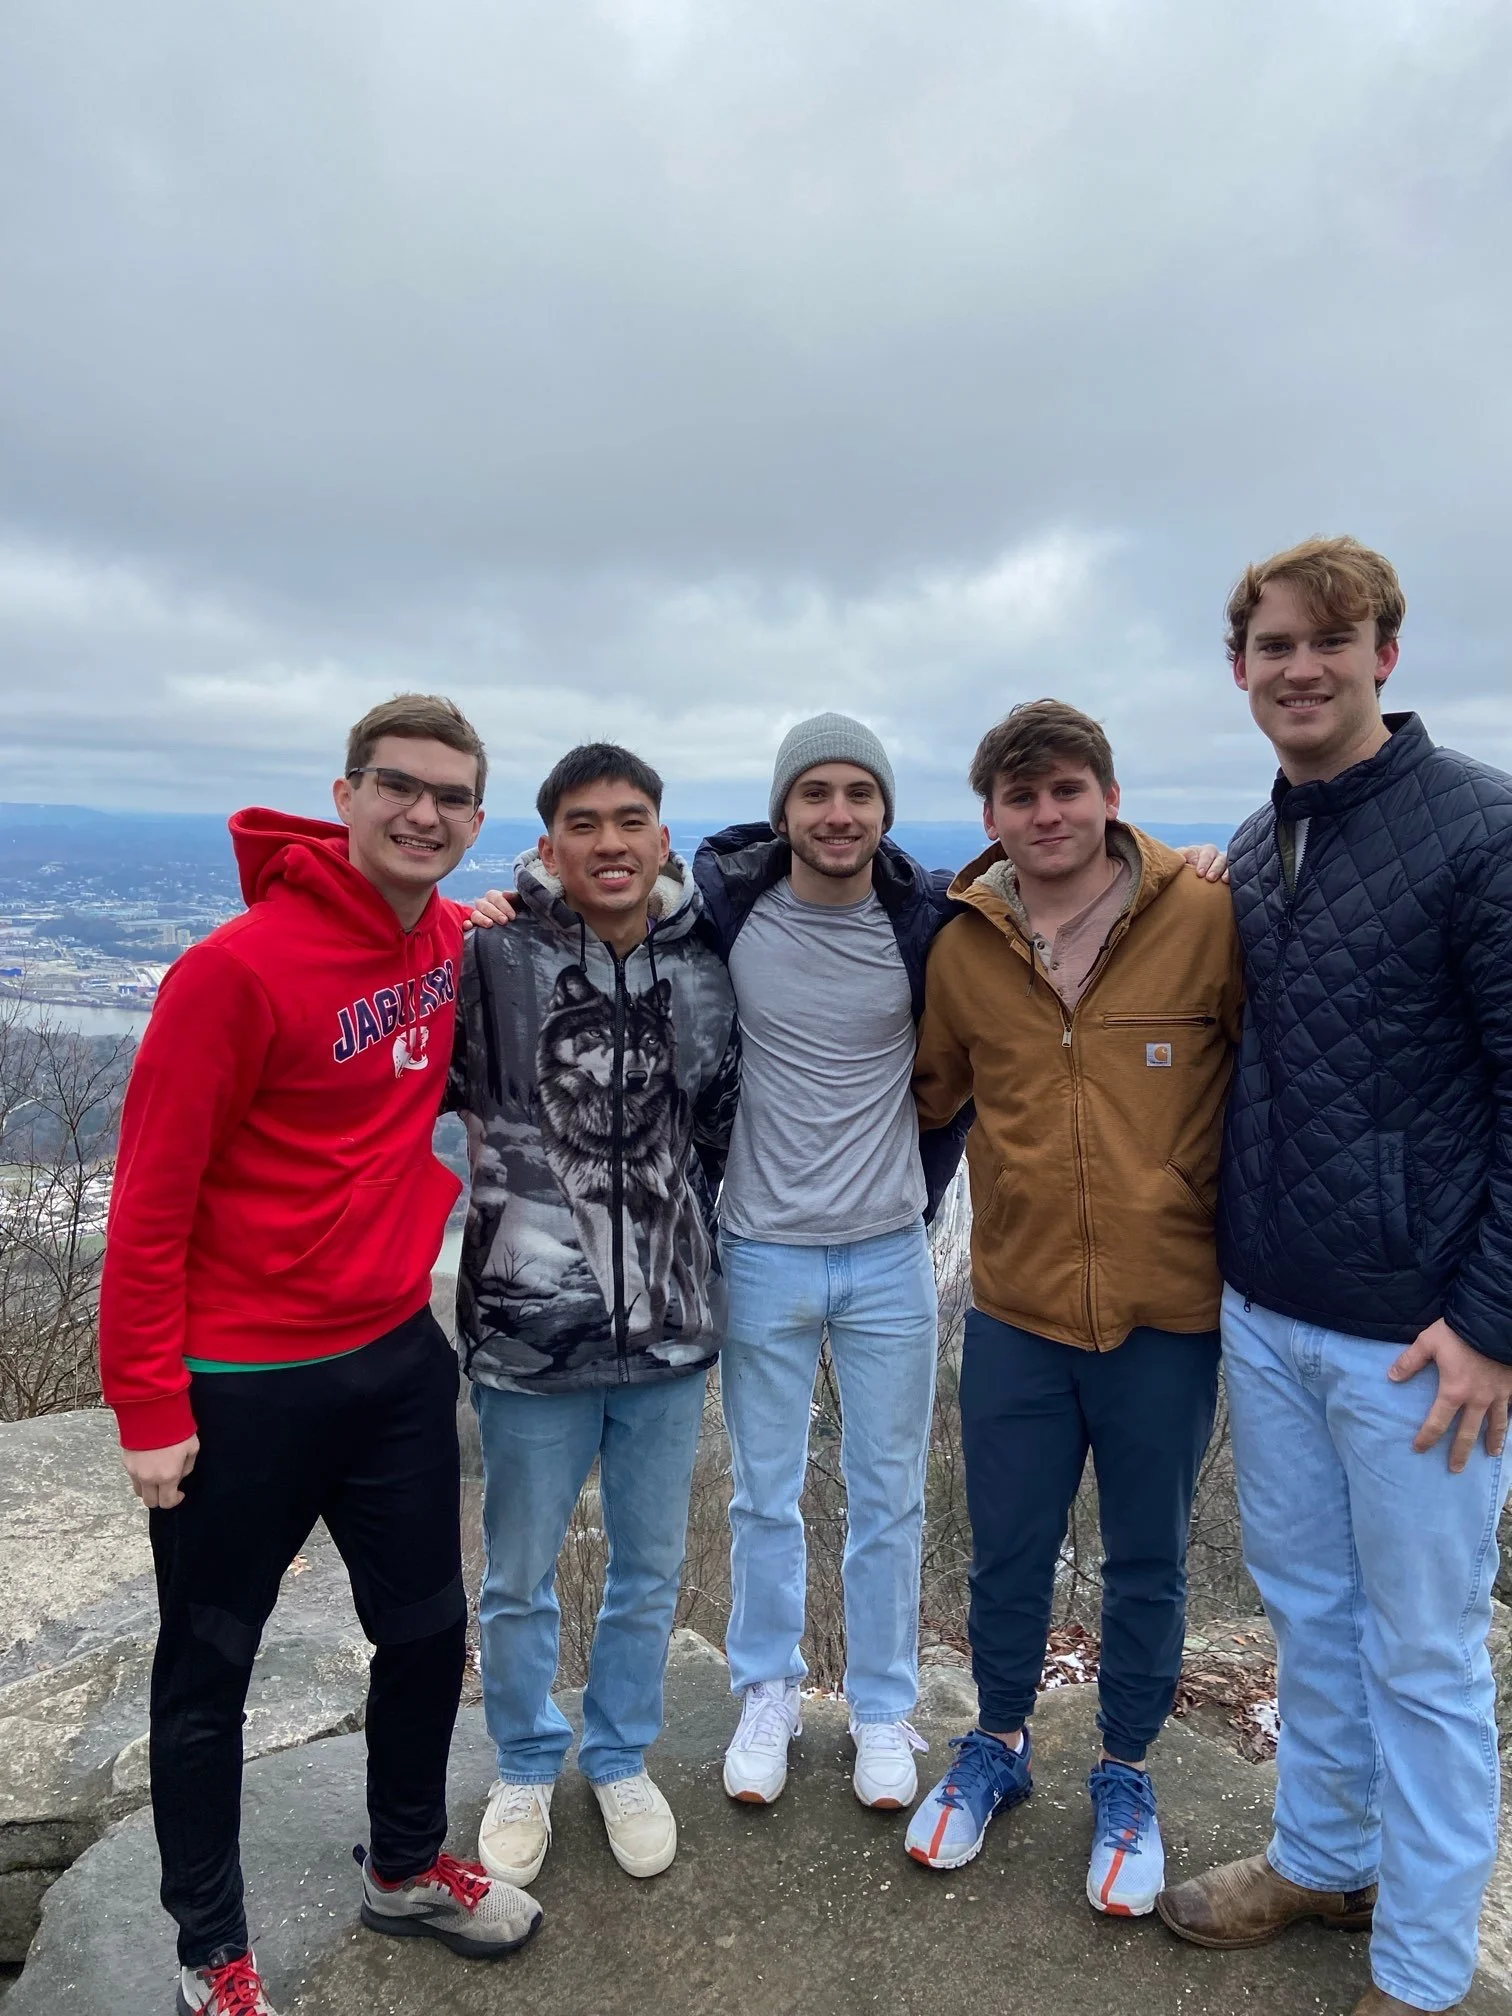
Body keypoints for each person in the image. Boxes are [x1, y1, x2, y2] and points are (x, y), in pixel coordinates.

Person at [99, 696, 542, 2016]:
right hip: (240, 1383)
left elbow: (485, 923)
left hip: (390, 1357)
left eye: (454, 799)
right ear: (342, 795)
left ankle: (404, 1866)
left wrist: (491, 916)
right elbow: (150, 1198)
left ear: (475, 819)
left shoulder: (442, 934)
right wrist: (146, 1405)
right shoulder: (232, 973)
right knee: (210, 1663)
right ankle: (211, 1950)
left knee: (423, 1629)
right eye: (399, 788)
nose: (426, 815)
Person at [1155, 538, 1512, 2016]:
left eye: (1329, 641)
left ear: (1385, 654)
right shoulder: (1259, 840)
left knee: (1425, 1653)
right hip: (1272, 1309)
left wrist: (1492, 1324)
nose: (1299, 667)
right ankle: (1322, 1854)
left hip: (1421, 1344)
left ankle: (1426, 1972)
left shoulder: (1480, 831)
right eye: (1272, 646)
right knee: (1308, 1608)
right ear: (1240, 670)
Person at [906, 699, 1243, 1913]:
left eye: (1068, 789)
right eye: (1021, 795)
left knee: (1147, 1558)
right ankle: (997, 1743)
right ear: (990, 815)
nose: (1047, 814)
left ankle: (1126, 1769)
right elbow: (932, 1095)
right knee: (1006, 1550)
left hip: (1168, 1307)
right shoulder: (964, 949)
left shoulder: (1205, 914)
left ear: (1108, 793)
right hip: (1018, 1307)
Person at [452, 743, 740, 1892]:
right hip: (530, 1336)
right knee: (516, 1573)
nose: (610, 842)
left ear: (663, 837)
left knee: (650, 1569)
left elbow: (720, 1127)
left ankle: (619, 1756)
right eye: (584, 823)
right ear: (550, 843)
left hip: (670, 1331)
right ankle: (526, 1756)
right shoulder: (492, 954)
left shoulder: (706, 967)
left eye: (631, 820)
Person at [693, 714, 971, 1812]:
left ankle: (883, 1709)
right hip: (760, 1244)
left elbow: (1052, 899)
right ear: (785, 810)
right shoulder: (726, 912)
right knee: (764, 1495)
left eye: (860, 792)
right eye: (816, 792)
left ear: (885, 811)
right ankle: (768, 1688)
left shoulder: (926, 923)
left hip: (889, 1251)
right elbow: (603, 907)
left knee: (889, 1497)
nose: (839, 812)